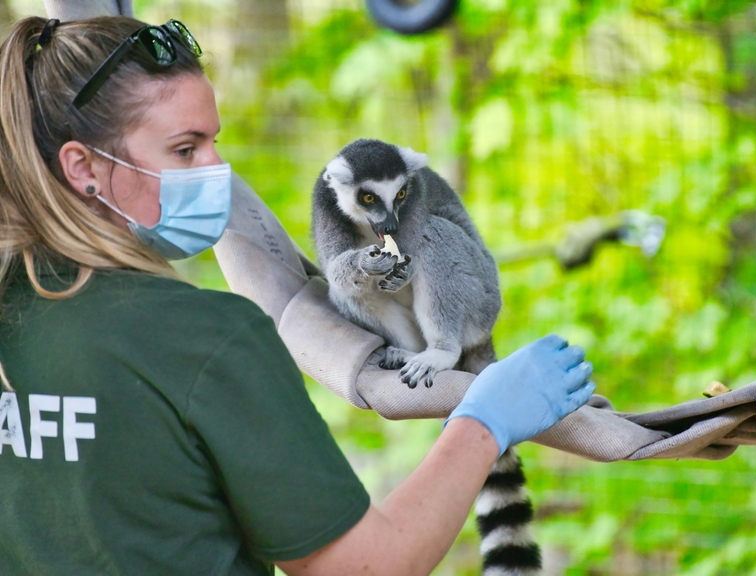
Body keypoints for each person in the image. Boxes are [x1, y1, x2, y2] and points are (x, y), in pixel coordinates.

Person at [0, 15, 595, 576]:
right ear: (82, 167)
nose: (218, 169)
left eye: (213, 142)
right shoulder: (202, 337)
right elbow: (363, 565)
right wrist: (485, 421)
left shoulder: (13, 308)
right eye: (185, 150)